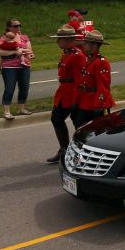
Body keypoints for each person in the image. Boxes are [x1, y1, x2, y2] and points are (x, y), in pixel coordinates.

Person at [48, 25, 85, 164]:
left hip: (73, 94)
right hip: (63, 93)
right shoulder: (66, 53)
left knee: (79, 126)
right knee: (56, 119)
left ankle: (81, 154)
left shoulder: (77, 56)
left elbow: (80, 80)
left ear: (68, 39)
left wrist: (77, 99)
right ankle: (63, 149)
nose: (57, 41)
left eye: (59, 39)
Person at [0, 19, 34, 120]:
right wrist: (14, 52)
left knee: (24, 88)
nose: (18, 27)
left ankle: (22, 108)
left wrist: (29, 54)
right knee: (9, 88)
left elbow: (29, 50)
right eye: (15, 26)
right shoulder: (4, 38)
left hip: (24, 66)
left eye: (19, 25)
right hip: (9, 67)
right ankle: (7, 112)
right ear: (9, 27)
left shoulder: (24, 37)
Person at [76, 30, 114, 127]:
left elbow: (103, 86)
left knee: (98, 131)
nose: (83, 45)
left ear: (94, 45)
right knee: (81, 127)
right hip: (86, 101)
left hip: (96, 103)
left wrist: (100, 106)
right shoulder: (89, 59)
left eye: (86, 43)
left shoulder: (101, 62)